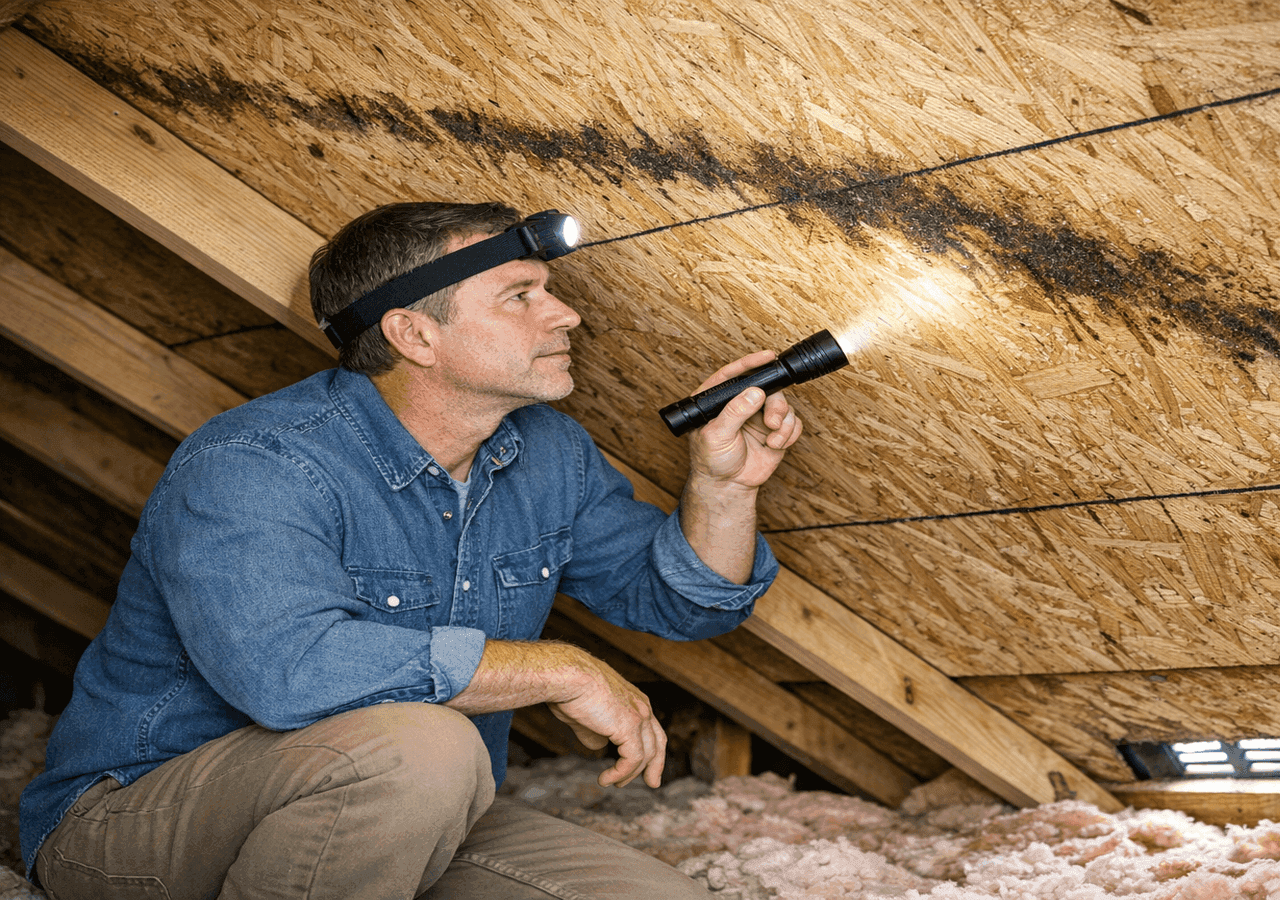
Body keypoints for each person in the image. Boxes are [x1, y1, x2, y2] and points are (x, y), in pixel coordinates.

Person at [19, 201, 804, 899]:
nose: (563, 315)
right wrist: (560, 667)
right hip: (132, 825)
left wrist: (723, 488)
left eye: (548, 291)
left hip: (413, 812)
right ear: (414, 334)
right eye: (520, 296)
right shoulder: (257, 464)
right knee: (422, 747)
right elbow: (286, 672)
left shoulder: (549, 453)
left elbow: (684, 606)